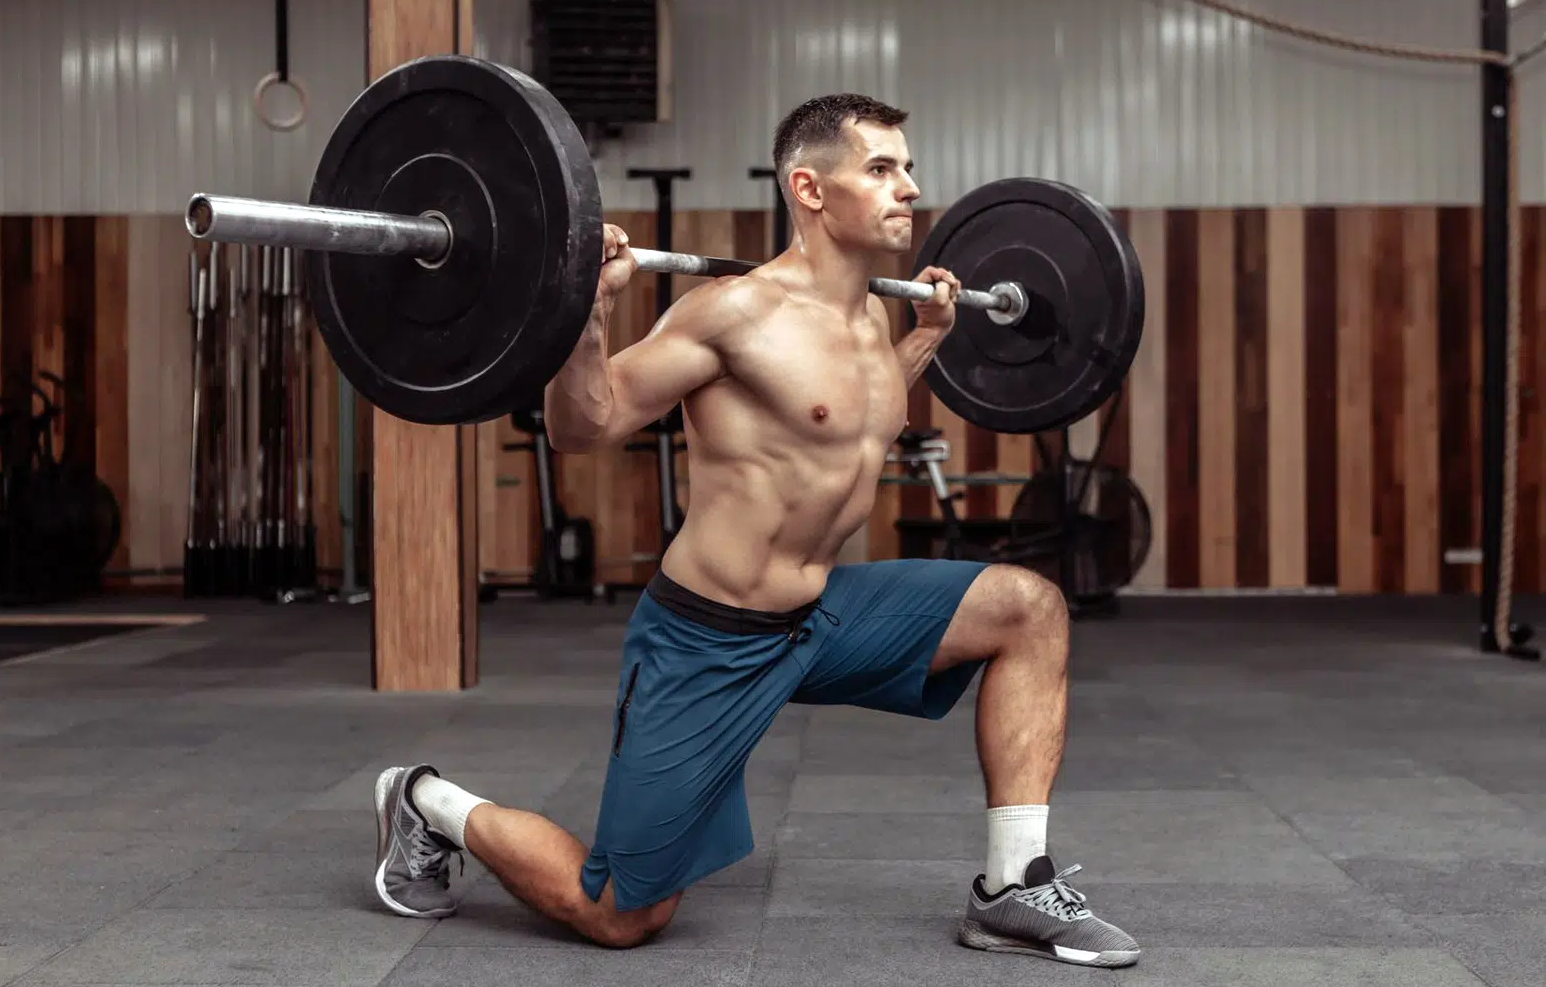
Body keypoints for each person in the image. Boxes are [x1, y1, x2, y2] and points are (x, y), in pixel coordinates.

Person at [368, 93, 1140, 969]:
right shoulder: (732, 314)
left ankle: (1010, 889)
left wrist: (927, 338)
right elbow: (584, 428)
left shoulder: (874, 318)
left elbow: (847, 424)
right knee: (623, 911)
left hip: (820, 616)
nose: (910, 189)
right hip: (709, 635)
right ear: (809, 189)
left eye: (908, 168)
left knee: (1027, 606)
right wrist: (587, 313)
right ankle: (426, 801)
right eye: (881, 169)